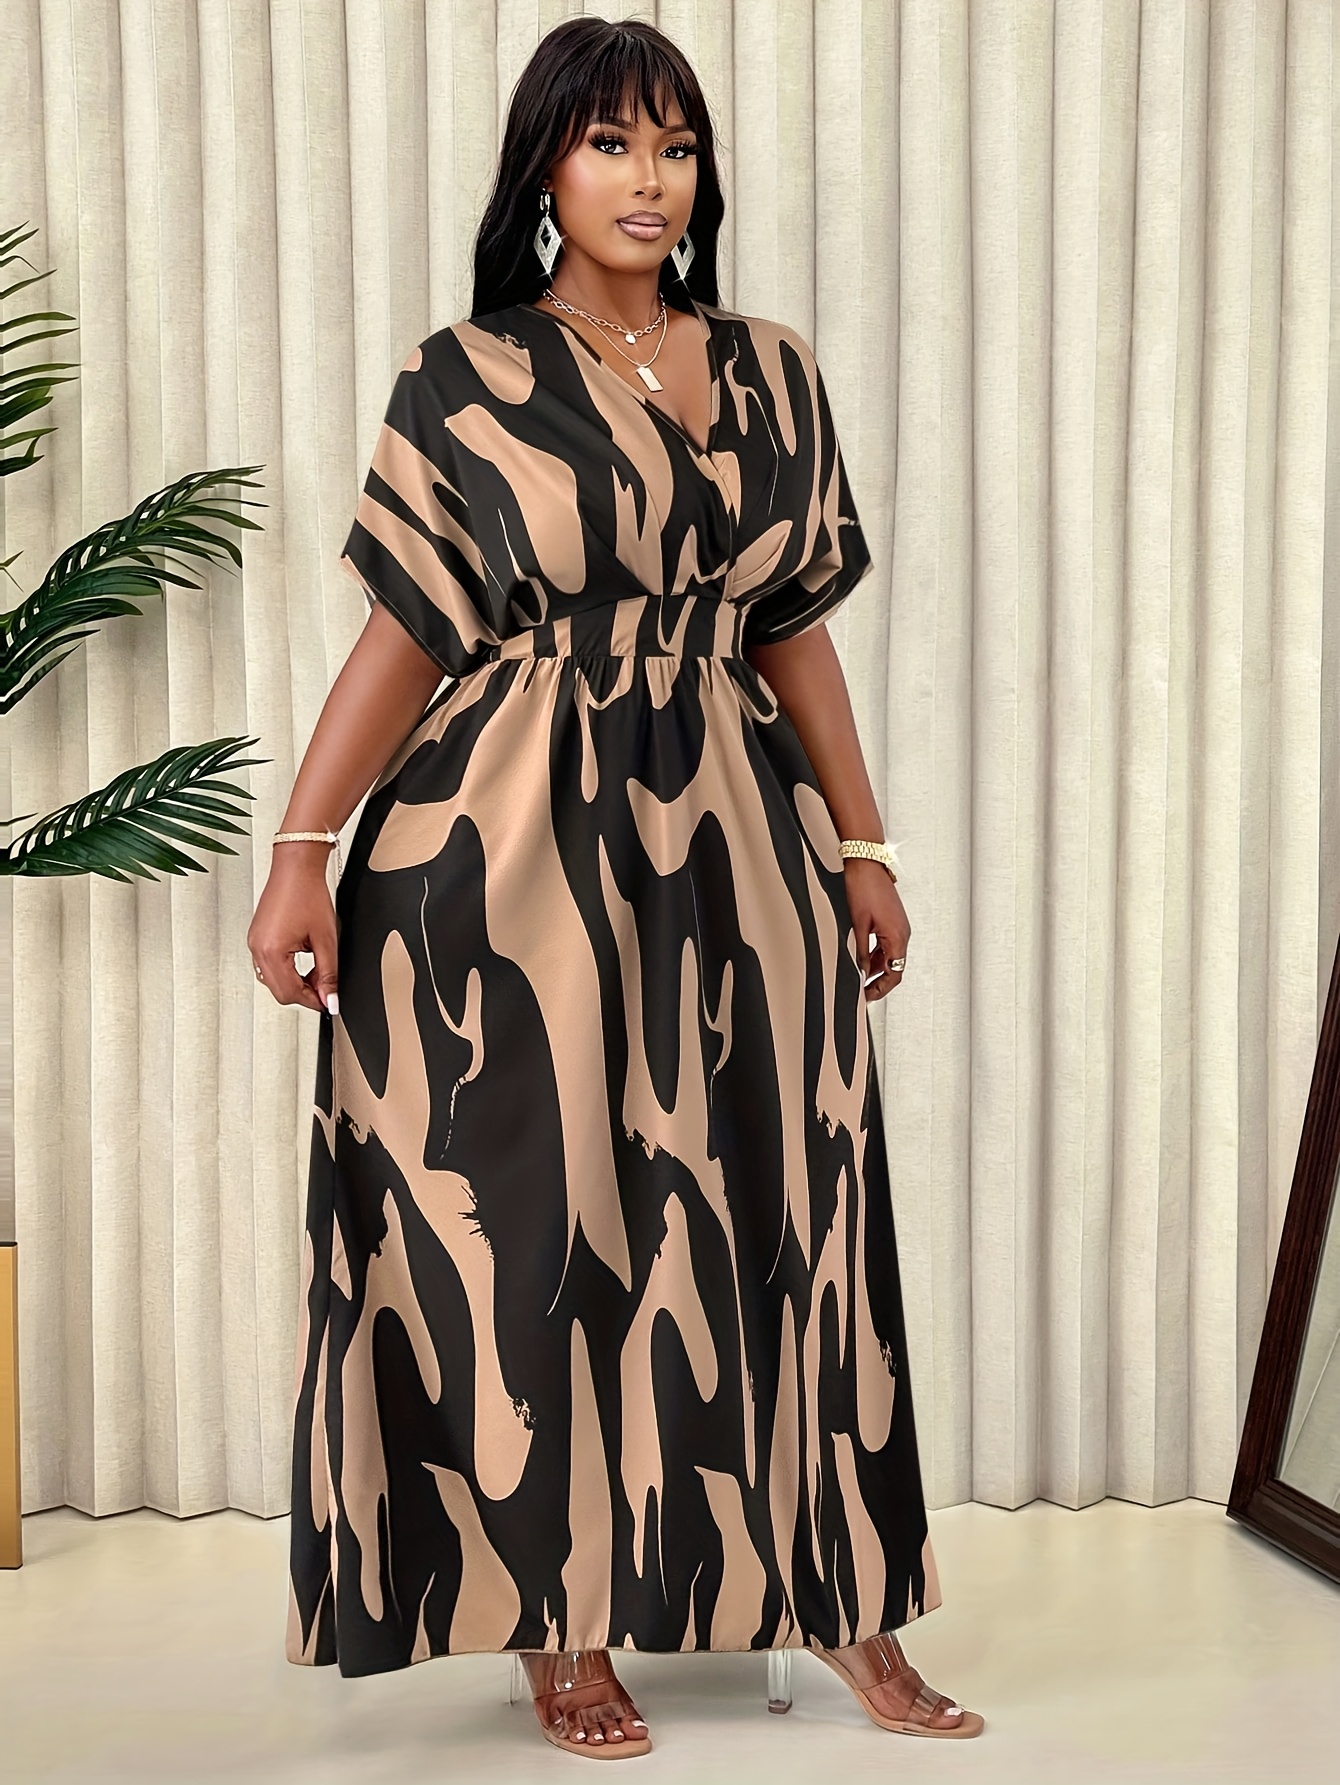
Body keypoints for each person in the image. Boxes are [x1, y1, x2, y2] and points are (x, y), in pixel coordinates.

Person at [248, 15, 983, 1761]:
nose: (651, 181)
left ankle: (845, 1600)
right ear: (546, 170)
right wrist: (302, 852)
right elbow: (405, 633)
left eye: (676, 146)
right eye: (612, 146)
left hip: (736, 844)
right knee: (543, 1216)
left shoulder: (773, 372)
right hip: (508, 849)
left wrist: (865, 842)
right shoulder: (467, 374)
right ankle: (558, 1619)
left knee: (788, 1201)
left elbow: (792, 631)